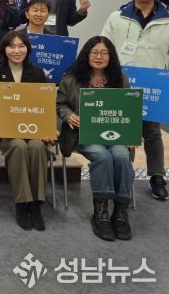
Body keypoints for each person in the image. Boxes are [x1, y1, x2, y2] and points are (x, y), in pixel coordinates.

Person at [102, 0, 169, 201]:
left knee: (152, 131)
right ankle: (125, 175)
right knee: (123, 129)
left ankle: (157, 177)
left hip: (155, 85)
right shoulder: (117, 17)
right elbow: (105, 48)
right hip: (121, 83)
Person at [57, 36, 134, 240]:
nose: (99, 56)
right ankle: (101, 210)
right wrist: (69, 115)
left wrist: (131, 133)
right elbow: (59, 104)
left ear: (111, 56)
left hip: (115, 134)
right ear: (87, 54)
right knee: (102, 156)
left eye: (104, 53)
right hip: (84, 134)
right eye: (95, 52)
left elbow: (130, 108)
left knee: (121, 156)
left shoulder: (120, 79)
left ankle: (120, 210)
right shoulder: (71, 78)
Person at [0, 31, 49, 231]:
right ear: (4, 50)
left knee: (37, 147)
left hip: (32, 128)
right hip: (3, 130)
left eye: (21, 46)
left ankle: (36, 204)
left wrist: (47, 128)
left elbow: (44, 105)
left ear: (27, 49)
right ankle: (21, 203)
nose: (16, 50)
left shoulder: (37, 73)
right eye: (12, 46)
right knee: (18, 146)